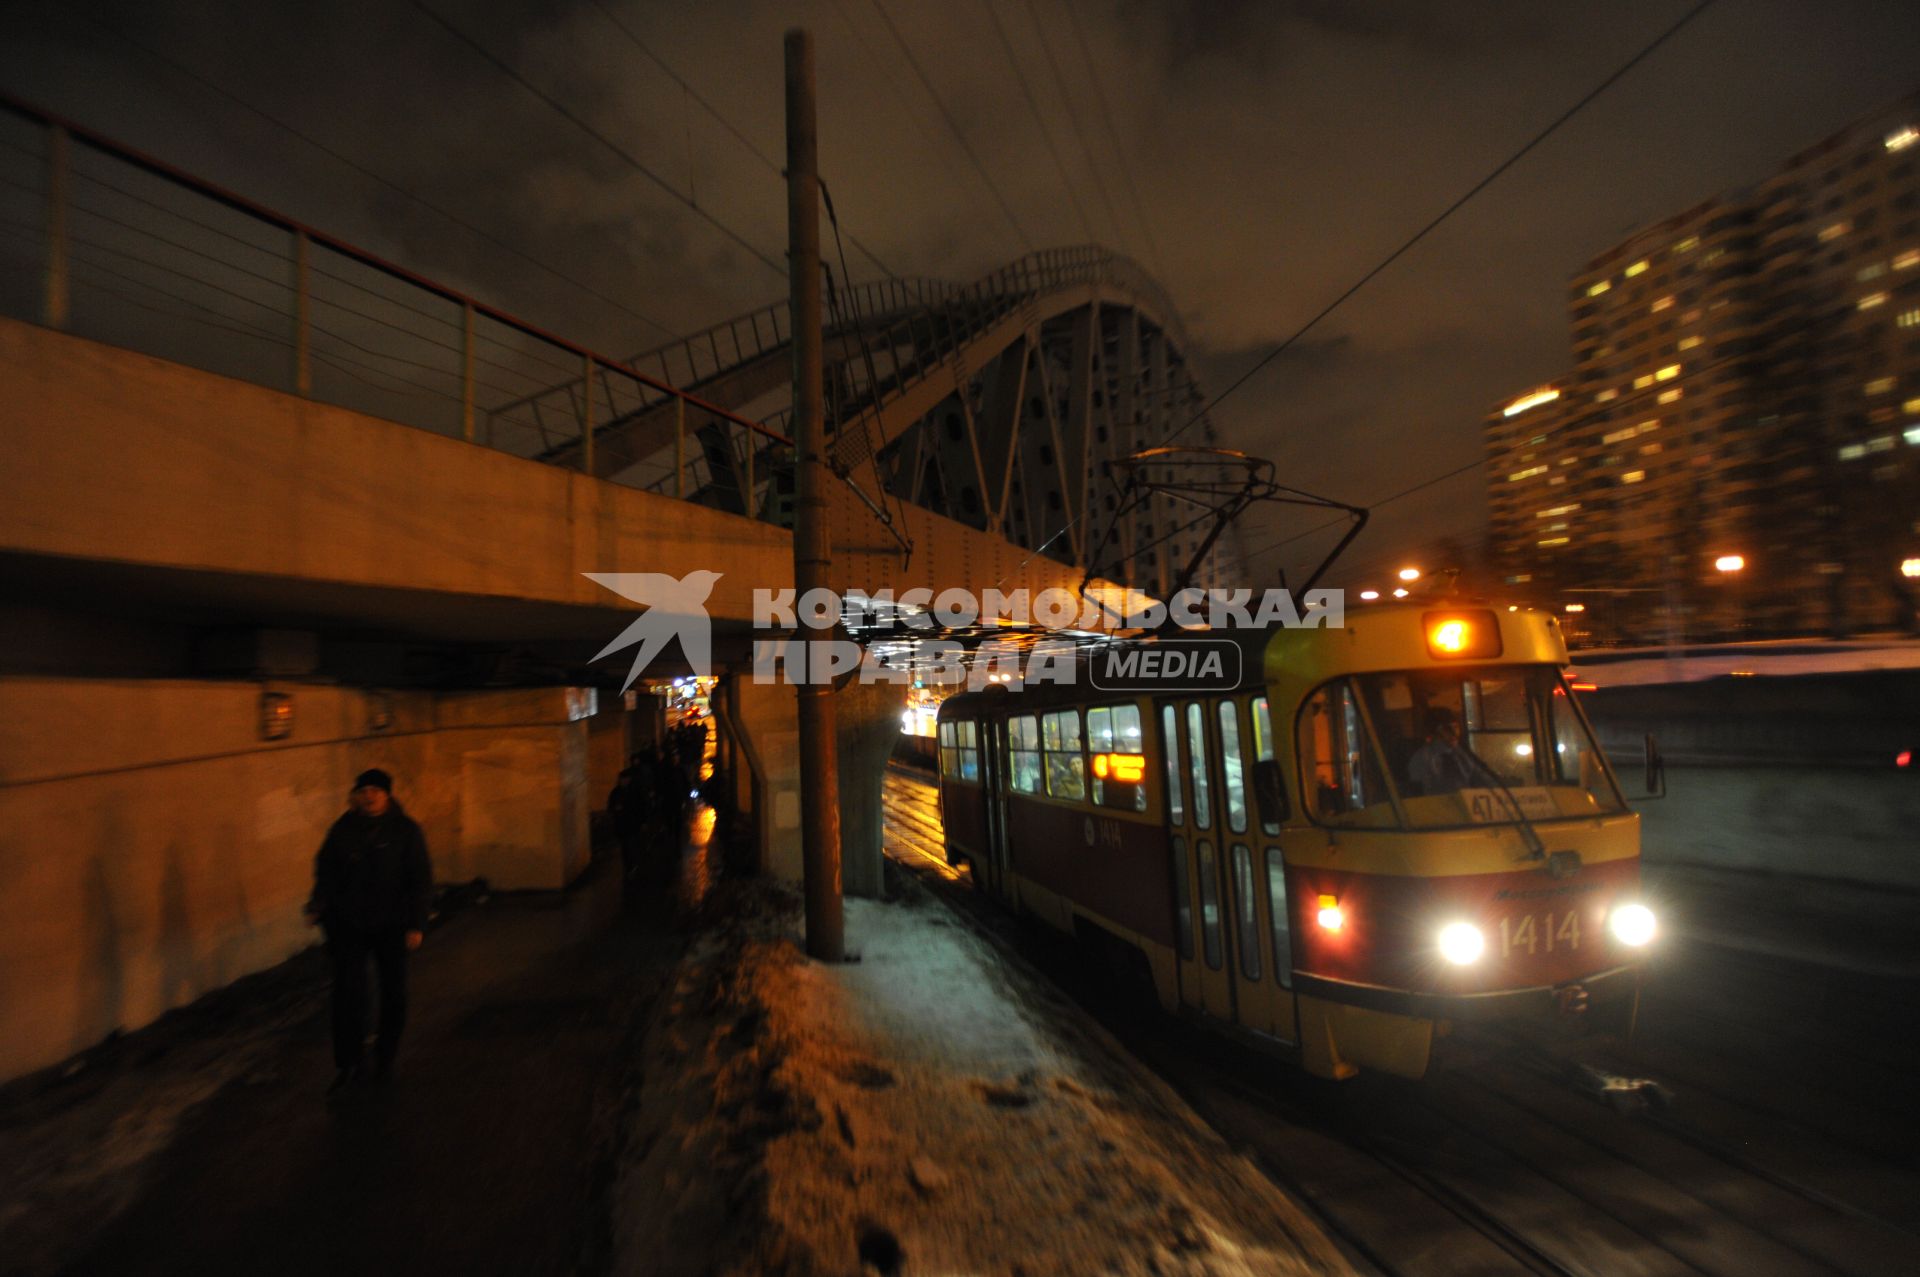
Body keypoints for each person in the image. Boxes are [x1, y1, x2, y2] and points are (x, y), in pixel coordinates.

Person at [304, 768, 432, 1092]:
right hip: (349, 925)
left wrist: (416, 924)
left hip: (392, 924)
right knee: (347, 993)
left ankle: (385, 1054)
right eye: (364, 790)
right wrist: (318, 904)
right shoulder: (342, 831)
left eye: (376, 790)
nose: (369, 796)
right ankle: (349, 1061)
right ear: (356, 796)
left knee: (393, 992)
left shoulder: (405, 831)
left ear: (387, 795)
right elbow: (327, 872)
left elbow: (419, 880)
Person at [1407, 707, 1477, 796]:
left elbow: (1477, 778)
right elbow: (1419, 793)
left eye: (1456, 727)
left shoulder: (1463, 754)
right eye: (1446, 728)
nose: (1454, 733)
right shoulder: (1421, 758)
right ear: (1434, 731)